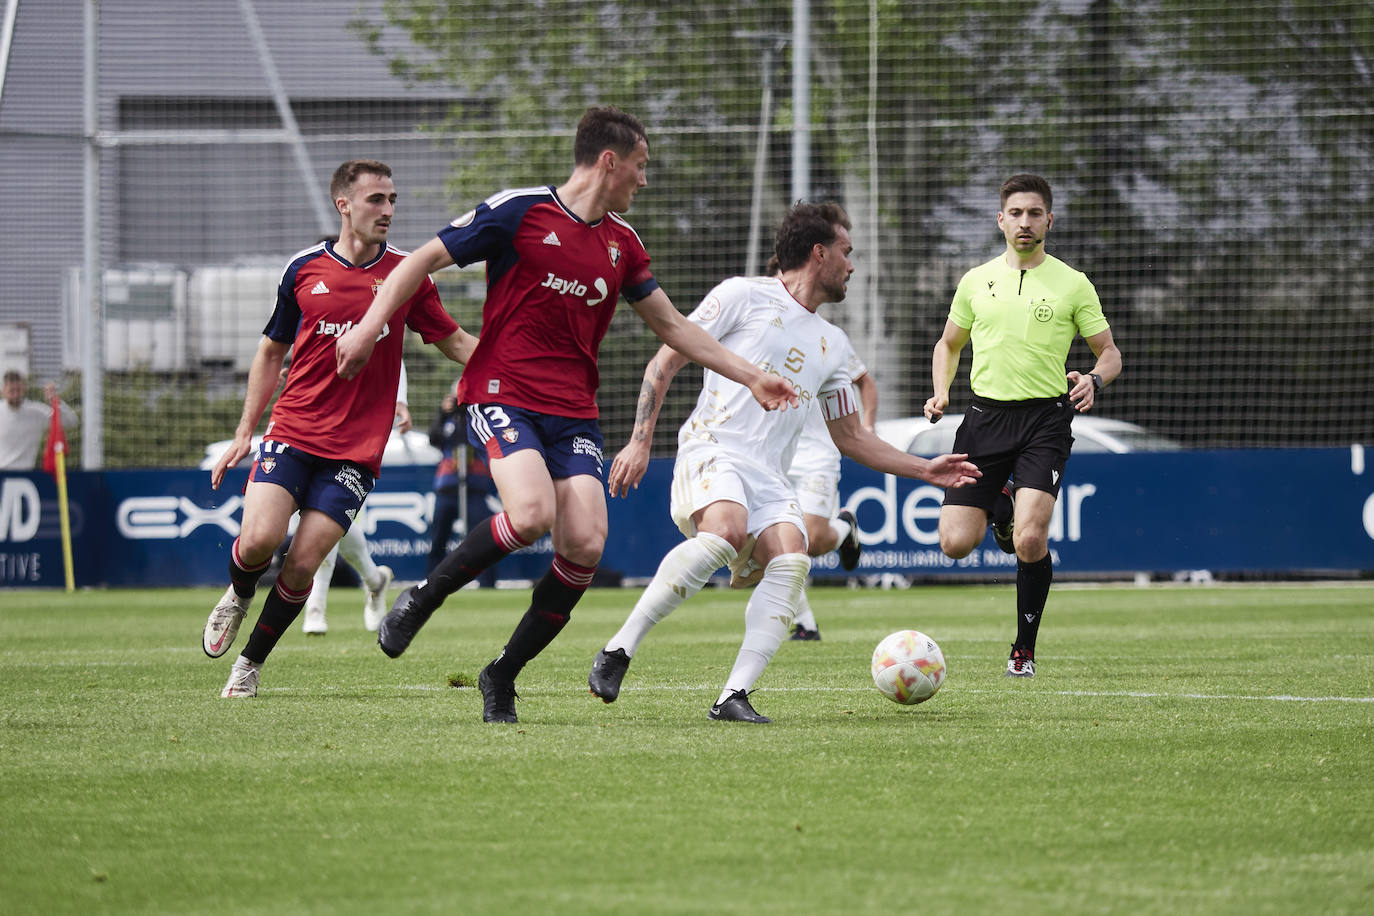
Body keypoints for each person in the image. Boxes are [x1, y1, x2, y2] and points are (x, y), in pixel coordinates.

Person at [331, 105, 797, 725]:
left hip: (573, 412)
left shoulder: (623, 245)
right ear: (610, 161)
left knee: (584, 545)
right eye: (640, 166)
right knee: (530, 515)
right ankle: (421, 598)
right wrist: (367, 328)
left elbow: (675, 328)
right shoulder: (520, 210)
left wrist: (751, 374)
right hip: (501, 392)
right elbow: (417, 263)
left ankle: (502, 674)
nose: (644, 180)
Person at [587, 202, 980, 723]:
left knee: (793, 556)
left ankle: (733, 697)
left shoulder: (835, 345)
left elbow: (851, 437)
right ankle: (618, 650)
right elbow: (666, 358)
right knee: (725, 530)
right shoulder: (742, 295)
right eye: (847, 252)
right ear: (819, 253)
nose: (852, 265)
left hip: (769, 474)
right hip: (714, 446)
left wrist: (922, 469)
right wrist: (639, 441)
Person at [200, 158, 477, 699]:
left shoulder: (407, 275)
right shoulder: (303, 268)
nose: (389, 210)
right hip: (294, 428)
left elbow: (454, 341)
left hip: (355, 450)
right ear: (343, 204)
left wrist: (515, 367)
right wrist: (243, 432)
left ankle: (250, 664)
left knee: (303, 562)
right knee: (258, 540)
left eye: (393, 199)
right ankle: (237, 593)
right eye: (377, 199)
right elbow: (270, 350)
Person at [924, 173, 1122, 678]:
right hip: (984, 419)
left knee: (1030, 541)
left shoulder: (1072, 283)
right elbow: (947, 344)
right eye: (1016, 213)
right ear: (1001, 220)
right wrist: (942, 390)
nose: (1025, 222)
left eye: (1035, 213)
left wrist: (1096, 379)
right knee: (953, 544)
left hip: (1045, 421)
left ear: (1049, 220)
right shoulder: (975, 280)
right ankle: (1001, 503)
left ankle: (1023, 651)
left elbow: (1110, 352)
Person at [765, 258, 880, 641]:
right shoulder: (761, 333)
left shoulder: (827, 338)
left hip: (817, 453)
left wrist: (866, 429)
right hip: (774, 454)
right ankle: (805, 623)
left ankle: (844, 528)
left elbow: (867, 384)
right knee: (777, 542)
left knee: (809, 540)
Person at [300, 366, 410, 636]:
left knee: (327, 515)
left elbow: (393, 353)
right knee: (329, 523)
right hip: (312, 420)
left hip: (357, 428)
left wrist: (400, 400)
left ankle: (315, 608)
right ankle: (375, 581)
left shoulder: (371, 324)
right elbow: (272, 345)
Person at [426, 382, 498, 587]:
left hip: (475, 487)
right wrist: (443, 413)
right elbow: (434, 437)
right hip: (448, 487)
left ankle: (488, 585)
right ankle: (430, 586)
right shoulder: (449, 418)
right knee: (439, 538)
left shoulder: (480, 418)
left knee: (486, 539)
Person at [0, 370, 77, 470]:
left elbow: (71, 421)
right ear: (3, 391)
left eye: (18, 390)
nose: (15, 394)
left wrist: (55, 401)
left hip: (27, 474)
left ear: (24, 389)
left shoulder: (36, 412)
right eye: (12, 390)